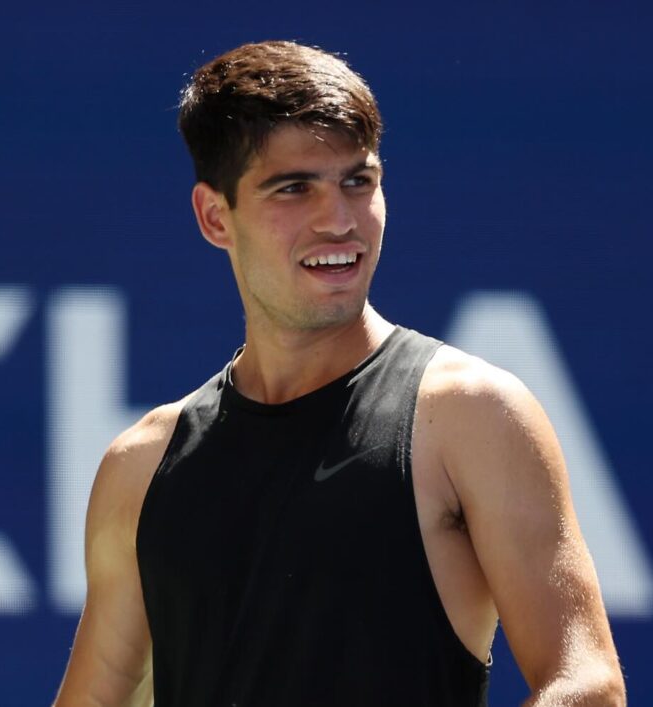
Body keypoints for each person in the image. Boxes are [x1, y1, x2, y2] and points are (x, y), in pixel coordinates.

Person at [53, 40, 625, 706]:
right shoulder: (140, 466)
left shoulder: (472, 416)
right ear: (214, 216)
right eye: (295, 188)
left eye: (359, 181)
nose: (340, 220)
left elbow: (588, 684)